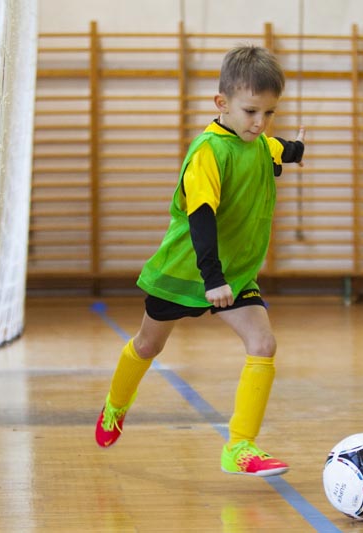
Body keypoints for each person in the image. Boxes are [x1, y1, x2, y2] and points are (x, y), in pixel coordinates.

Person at [94, 45, 305, 477]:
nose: (260, 123)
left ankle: (240, 446)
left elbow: (277, 150)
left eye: (269, 113)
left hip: (235, 274)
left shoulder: (259, 143)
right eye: (251, 112)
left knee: (263, 344)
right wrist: (212, 277)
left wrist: (297, 149)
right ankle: (115, 405)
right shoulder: (210, 151)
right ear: (221, 103)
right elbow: (201, 216)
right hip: (188, 272)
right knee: (148, 345)